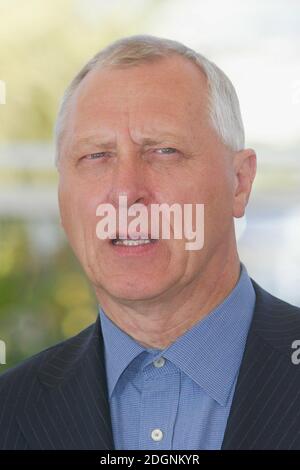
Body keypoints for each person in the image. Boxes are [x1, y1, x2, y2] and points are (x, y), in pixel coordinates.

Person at [1, 35, 300, 450]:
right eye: (96, 155)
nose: (125, 192)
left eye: (164, 151)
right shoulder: (8, 411)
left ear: (240, 183)